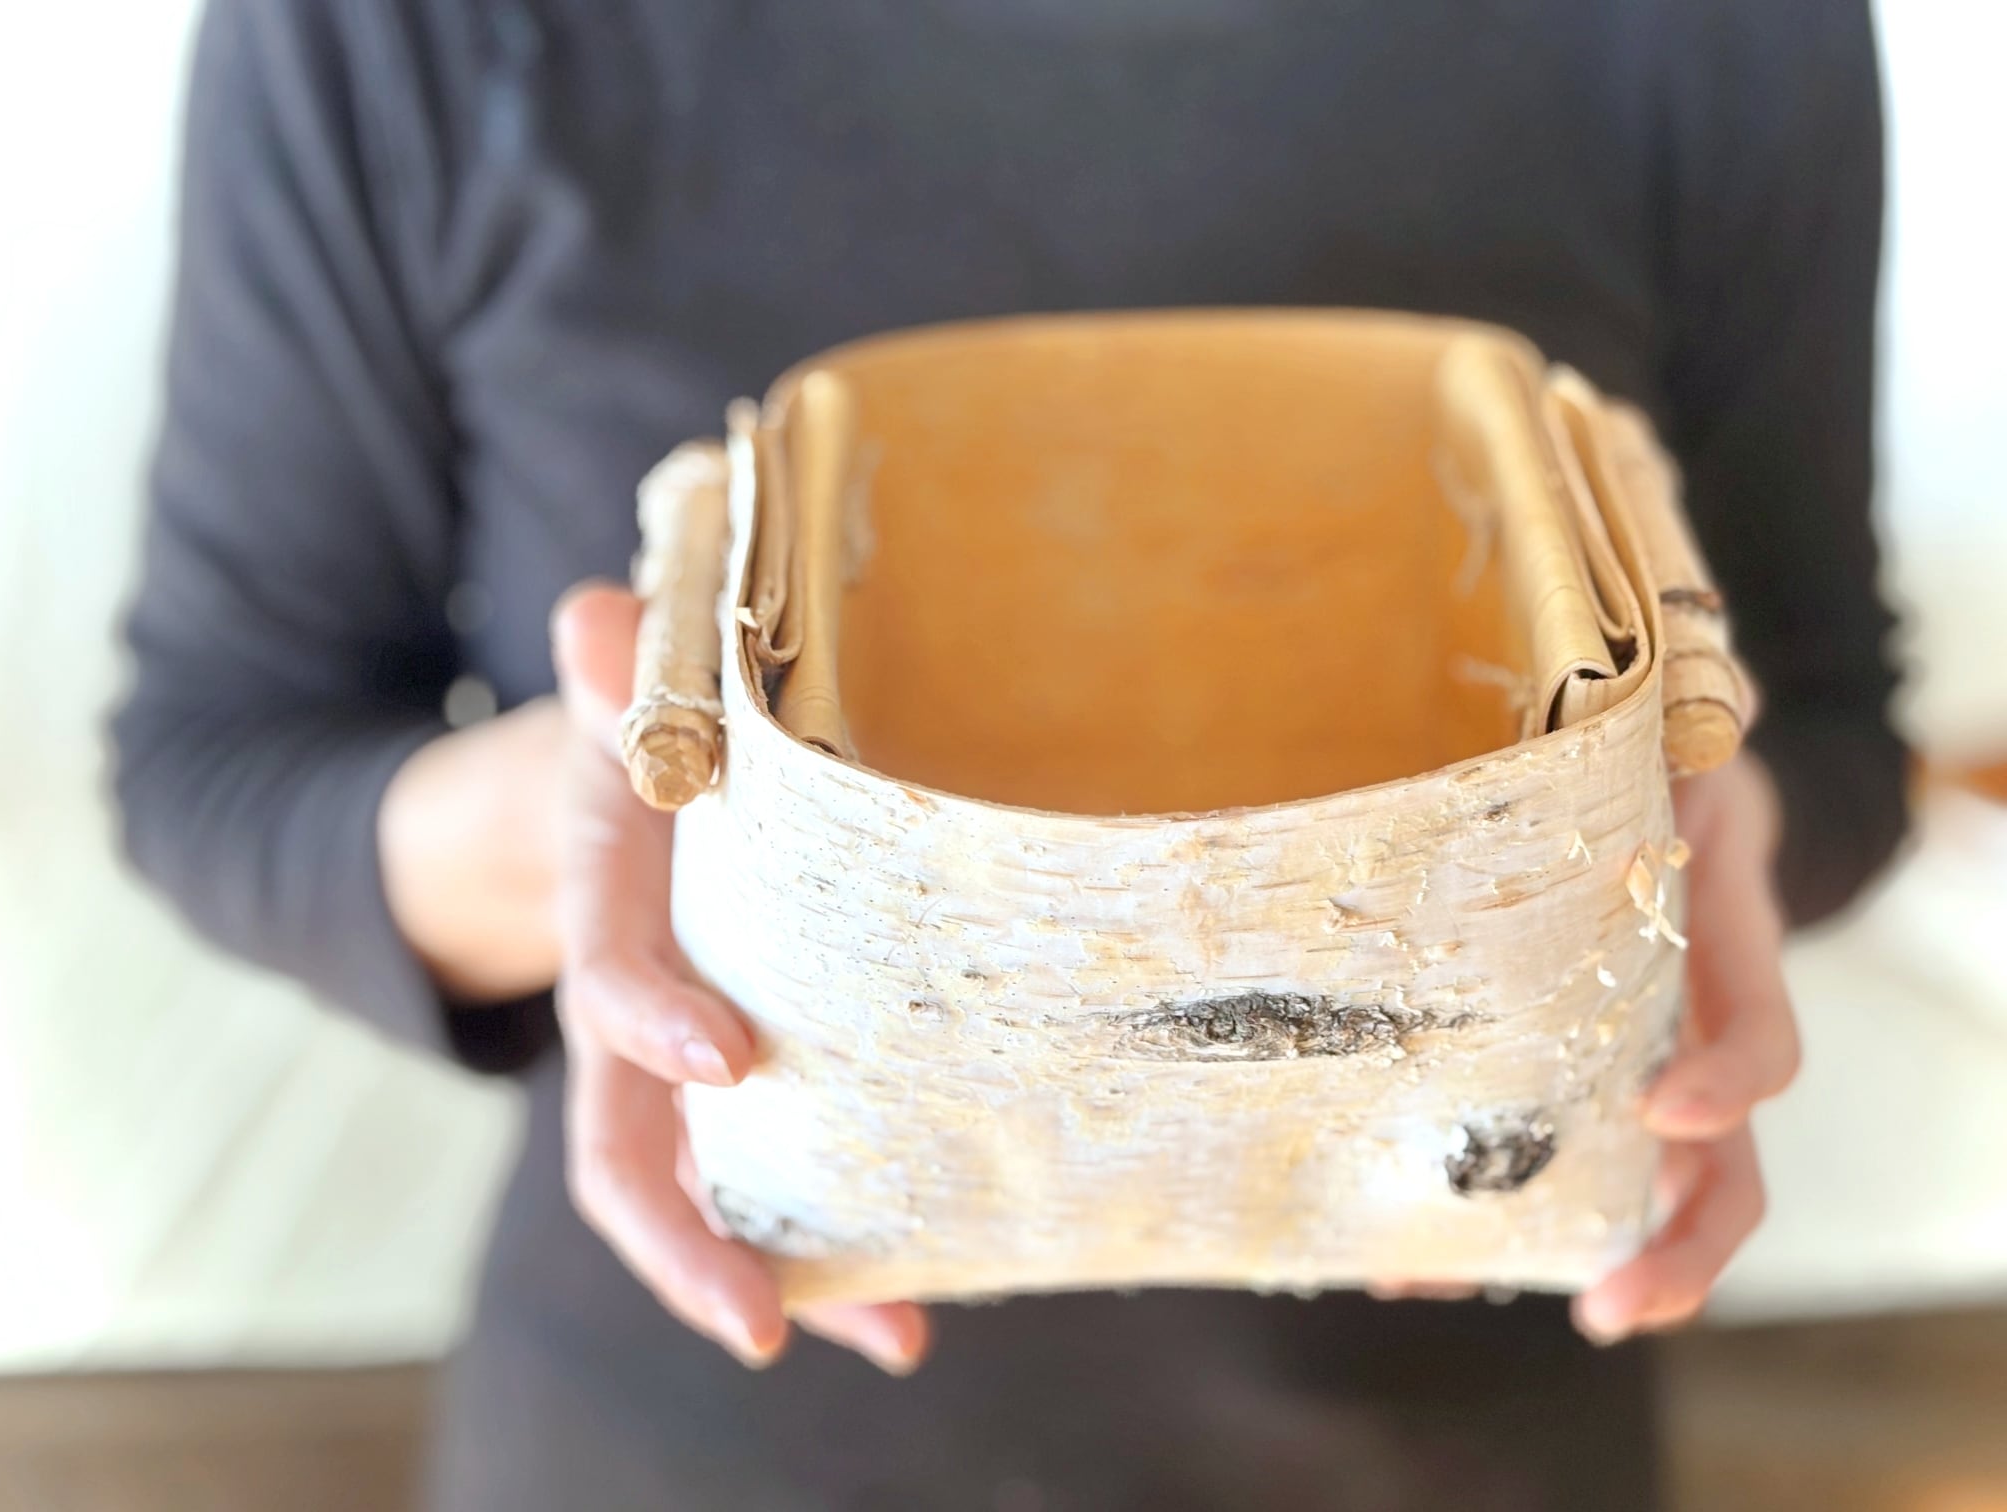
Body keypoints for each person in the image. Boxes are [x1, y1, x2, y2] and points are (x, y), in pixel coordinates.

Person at [113, 1, 1905, 1507]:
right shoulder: (397, 28)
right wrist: (631, 840)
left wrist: (1707, 821)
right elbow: (218, 761)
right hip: (695, 1440)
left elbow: (1826, 717)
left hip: (1460, 1437)